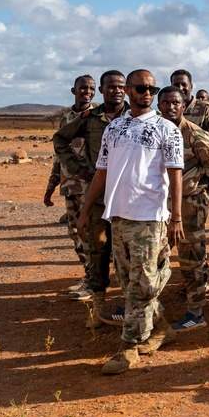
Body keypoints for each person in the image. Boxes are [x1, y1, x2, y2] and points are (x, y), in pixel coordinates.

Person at [76, 70, 183, 374]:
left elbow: (175, 173)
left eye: (152, 88)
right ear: (128, 92)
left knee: (143, 284)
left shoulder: (166, 129)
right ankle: (161, 328)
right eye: (141, 87)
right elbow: (102, 171)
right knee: (129, 283)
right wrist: (86, 210)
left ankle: (129, 346)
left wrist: (175, 217)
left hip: (150, 218)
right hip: (118, 216)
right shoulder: (114, 128)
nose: (147, 92)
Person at [53, 70, 129, 321]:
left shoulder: (136, 116)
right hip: (98, 196)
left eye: (121, 86)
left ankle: (131, 305)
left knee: (127, 253)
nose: (116, 91)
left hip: (130, 198)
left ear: (126, 89)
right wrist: (78, 168)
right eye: (111, 87)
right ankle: (99, 307)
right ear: (102, 90)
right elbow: (60, 140)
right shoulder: (89, 118)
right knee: (98, 250)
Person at [157, 86, 209, 331]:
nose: (171, 107)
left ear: (183, 105)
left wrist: (202, 191)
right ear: (159, 106)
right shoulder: (156, 131)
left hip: (190, 203)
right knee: (157, 253)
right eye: (165, 102)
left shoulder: (194, 133)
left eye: (175, 102)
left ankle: (195, 312)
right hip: (160, 204)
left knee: (191, 257)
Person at [44, 74, 95, 296]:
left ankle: (95, 282)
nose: (87, 91)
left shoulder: (97, 118)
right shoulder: (66, 119)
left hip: (91, 187)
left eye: (91, 88)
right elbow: (59, 155)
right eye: (83, 88)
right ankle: (89, 277)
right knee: (75, 233)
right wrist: (52, 184)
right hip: (70, 186)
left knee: (92, 234)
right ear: (73, 91)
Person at [170, 70, 209, 156]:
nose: (180, 88)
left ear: (191, 86)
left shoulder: (206, 109)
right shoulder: (168, 109)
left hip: (198, 165)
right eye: (176, 85)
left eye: (184, 84)